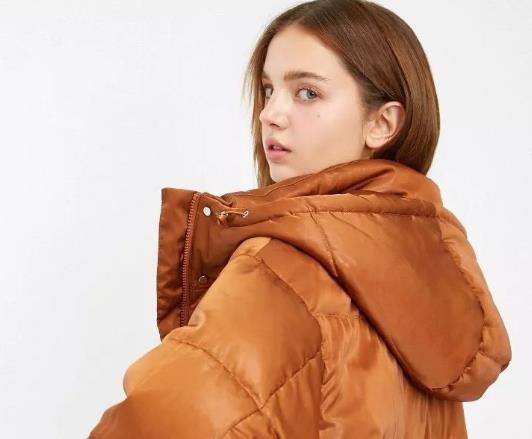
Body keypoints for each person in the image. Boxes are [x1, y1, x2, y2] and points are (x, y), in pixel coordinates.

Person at [87, 1, 512, 437]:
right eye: (268, 89)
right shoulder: (436, 271)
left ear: (382, 123)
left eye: (307, 92)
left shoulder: (283, 271)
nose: (269, 113)